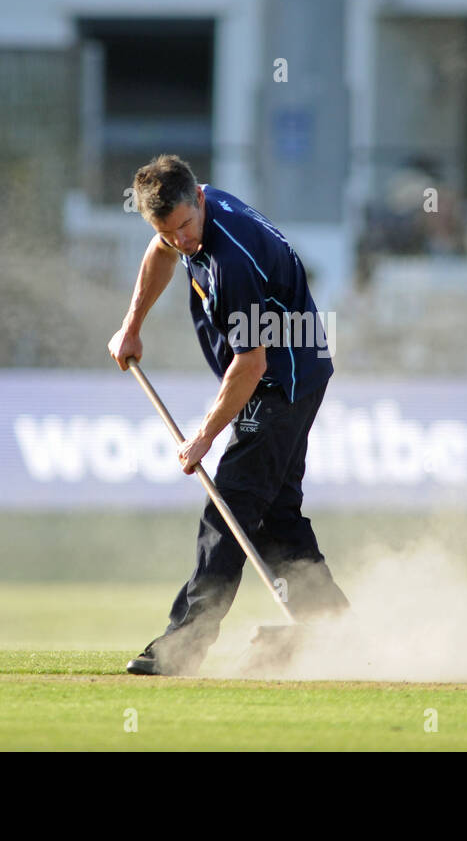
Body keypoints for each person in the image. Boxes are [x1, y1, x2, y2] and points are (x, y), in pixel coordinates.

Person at [108, 154, 349, 676]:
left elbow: (249, 364)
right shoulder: (185, 220)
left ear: (199, 200)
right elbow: (160, 253)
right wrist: (133, 326)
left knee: (231, 510)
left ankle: (183, 645)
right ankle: (332, 627)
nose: (182, 241)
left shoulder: (233, 259)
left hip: (277, 385)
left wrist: (203, 439)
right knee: (275, 520)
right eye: (169, 232)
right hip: (296, 374)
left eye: (186, 227)